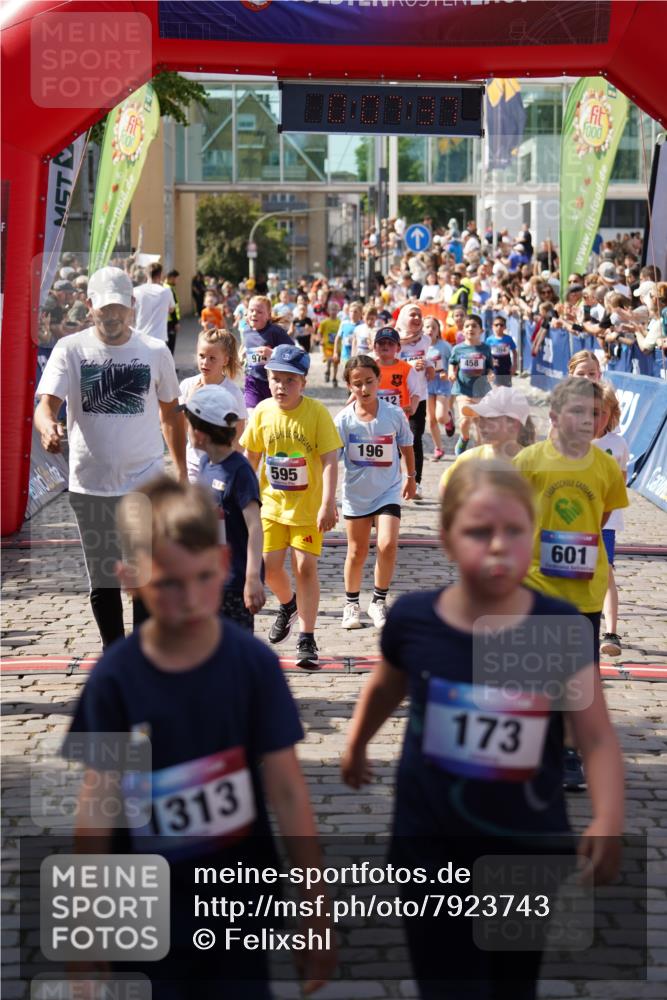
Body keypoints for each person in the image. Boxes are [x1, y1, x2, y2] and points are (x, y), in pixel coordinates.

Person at [342, 459, 623, 1000]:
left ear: (534, 534)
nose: (498, 545)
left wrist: (608, 817)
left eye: (514, 531)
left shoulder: (558, 630)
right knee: (446, 981)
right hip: (429, 844)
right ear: (446, 539)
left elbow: (596, 737)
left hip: (525, 844)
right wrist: (356, 743)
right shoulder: (415, 618)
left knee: (510, 984)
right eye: (478, 531)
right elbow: (386, 685)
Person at [67, 476, 335, 999]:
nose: (188, 599)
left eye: (202, 579)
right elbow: (95, 803)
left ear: (223, 565)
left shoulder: (252, 666)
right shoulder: (114, 679)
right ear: (129, 578)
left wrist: (314, 906)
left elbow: (286, 787)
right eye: (168, 583)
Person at [34, 266, 186, 648]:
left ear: (132, 306)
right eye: (105, 309)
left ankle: (142, 659)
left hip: (145, 482)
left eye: (119, 308)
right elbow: (44, 405)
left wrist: (182, 474)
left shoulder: (154, 351)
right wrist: (48, 426)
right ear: (90, 306)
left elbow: (171, 414)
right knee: (103, 581)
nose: (113, 316)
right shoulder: (71, 349)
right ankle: (115, 654)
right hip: (91, 484)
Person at [514, 377, 629, 790]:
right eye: (577, 411)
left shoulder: (606, 469)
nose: (587, 420)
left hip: (585, 588)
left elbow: (598, 522)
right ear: (555, 416)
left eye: (595, 413)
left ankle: (565, 753)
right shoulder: (528, 461)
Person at [241, 345, 342, 669]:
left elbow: (329, 460)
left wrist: (328, 502)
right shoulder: (262, 411)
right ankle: (288, 603)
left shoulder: (316, 413)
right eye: (275, 379)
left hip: (307, 509)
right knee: (269, 568)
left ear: (303, 382)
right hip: (270, 506)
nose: (280, 386)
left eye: (289, 380)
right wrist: (246, 499)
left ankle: (306, 637)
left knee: (305, 568)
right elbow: (251, 458)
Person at [334, 356, 416, 630]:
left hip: (388, 490)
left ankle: (379, 601)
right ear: (349, 386)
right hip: (356, 493)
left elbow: (406, 445)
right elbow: (330, 458)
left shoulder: (393, 415)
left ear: (378, 380)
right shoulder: (343, 420)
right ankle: (352, 604)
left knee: (387, 544)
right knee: (356, 552)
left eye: (369, 382)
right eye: (357, 384)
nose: (365, 389)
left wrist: (411, 477)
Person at [182, 385, 265, 632]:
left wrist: (252, 578)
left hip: (234, 584)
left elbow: (255, 527)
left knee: (233, 657)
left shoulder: (240, 471)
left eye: (188, 424)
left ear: (199, 433)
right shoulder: (206, 463)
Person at [439, 385, 535, 496]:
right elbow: (445, 486)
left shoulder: (533, 464)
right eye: (480, 417)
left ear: (514, 424)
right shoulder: (469, 459)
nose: (481, 424)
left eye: (490, 418)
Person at [180, 328, 246, 482]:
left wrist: (229, 465)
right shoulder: (187, 386)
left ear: (225, 360)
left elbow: (239, 434)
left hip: (221, 466)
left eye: (212, 358)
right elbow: (179, 428)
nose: (205, 362)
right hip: (193, 464)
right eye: (201, 356)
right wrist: (190, 403)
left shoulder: (233, 393)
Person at [593, 382, 630, 658]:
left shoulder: (617, 445)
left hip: (606, 523)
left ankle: (611, 631)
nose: (596, 419)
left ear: (612, 413)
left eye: (601, 412)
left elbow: (621, 481)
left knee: (606, 573)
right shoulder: (571, 442)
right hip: (574, 521)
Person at [396, 303, 436, 500]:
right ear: (404, 317)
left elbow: (426, 358)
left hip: (419, 395)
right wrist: (410, 364)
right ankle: (394, 481)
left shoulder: (425, 339)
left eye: (419, 315)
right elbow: (388, 361)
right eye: (413, 315)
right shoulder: (394, 339)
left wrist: (429, 366)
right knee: (394, 440)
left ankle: (416, 482)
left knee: (414, 438)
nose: (417, 319)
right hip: (396, 396)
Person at [448, 313, 493, 455]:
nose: (470, 329)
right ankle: (464, 437)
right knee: (464, 421)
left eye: (474, 326)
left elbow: (490, 366)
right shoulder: (458, 349)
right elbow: (452, 362)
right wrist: (451, 372)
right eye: (467, 326)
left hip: (481, 391)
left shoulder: (485, 348)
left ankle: (479, 452)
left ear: (481, 331)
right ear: (462, 330)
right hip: (463, 390)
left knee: (480, 424)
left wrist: (491, 374)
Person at [241, 295, 293, 412]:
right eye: (251, 310)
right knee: (251, 415)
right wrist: (243, 354)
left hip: (273, 382)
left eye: (259, 312)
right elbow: (247, 345)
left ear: (268, 316)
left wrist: (273, 353)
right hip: (252, 380)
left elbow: (293, 352)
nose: (254, 314)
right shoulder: (246, 330)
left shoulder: (275, 331)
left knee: (272, 415)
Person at [373, 326, 420, 420]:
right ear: (374, 347)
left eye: (390, 343)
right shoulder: (370, 368)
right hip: (375, 417)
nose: (386, 346)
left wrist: (413, 408)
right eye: (381, 343)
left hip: (399, 419)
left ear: (398, 348)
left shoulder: (407, 369)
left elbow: (416, 392)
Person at [424, 315, 453, 460]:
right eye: (427, 326)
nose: (430, 329)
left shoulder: (445, 346)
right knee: (431, 419)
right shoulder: (420, 346)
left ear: (438, 331)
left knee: (440, 417)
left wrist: (448, 372)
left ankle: (448, 419)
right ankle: (438, 448)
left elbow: (455, 362)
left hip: (443, 383)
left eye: (433, 327)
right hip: (427, 384)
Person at [132, 262, 175, 343]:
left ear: (146, 274)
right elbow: (171, 309)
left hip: (140, 337)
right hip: (159, 338)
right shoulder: (166, 291)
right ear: (161, 274)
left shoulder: (136, 291)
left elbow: (131, 313)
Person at [485, 314, 518, 387]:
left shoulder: (508, 339)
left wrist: (514, 365)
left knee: (507, 386)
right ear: (492, 327)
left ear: (505, 327)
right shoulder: (489, 340)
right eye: (496, 325)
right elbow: (485, 353)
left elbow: (514, 352)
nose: (499, 327)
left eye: (501, 325)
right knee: (497, 385)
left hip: (506, 364)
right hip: (495, 365)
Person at [333, 300, 362, 372]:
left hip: (358, 355)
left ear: (360, 314)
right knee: (348, 375)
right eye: (351, 311)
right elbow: (337, 338)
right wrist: (335, 352)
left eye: (355, 312)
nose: (353, 314)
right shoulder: (344, 324)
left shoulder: (362, 325)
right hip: (345, 355)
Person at [318, 299, 342, 386]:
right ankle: (328, 371)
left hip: (337, 347)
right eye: (332, 309)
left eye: (335, 309)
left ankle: (334, 378)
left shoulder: (340, 322)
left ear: (338, 311)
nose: (333, 311)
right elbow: (319, 332)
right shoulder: (325, 322)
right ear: (328, 310)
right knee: (329, 360)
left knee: (335, 363)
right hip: (327, 345)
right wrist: (320, 340)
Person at [164, 269, 181, 355]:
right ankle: (170, 367)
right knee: (171, 345)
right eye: (177, 278)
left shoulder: (164, 287)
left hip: (166, 321)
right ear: (171, 278)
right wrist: (176, 322)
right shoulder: (168, 289)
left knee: (167, 344)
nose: (178, 281)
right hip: (170, 321)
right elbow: (172, 307)